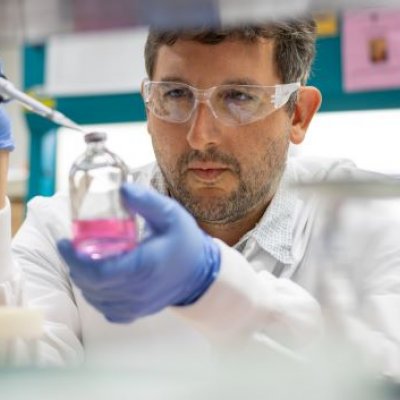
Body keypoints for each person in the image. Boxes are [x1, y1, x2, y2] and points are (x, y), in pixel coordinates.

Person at [0, 19, 399, 376]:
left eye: (239, 97)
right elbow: (23, 373)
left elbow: (383, 371)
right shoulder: (64, 229)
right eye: (175, 94)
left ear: (298, 115)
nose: (200, 135)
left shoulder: (372, 217)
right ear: (148, 103)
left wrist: (213, 283)